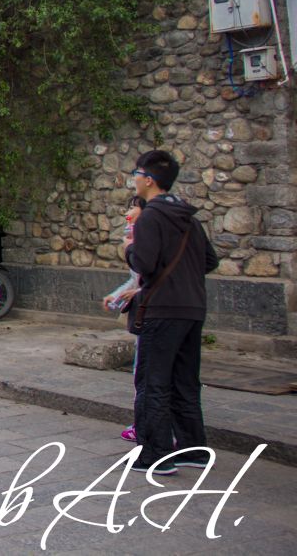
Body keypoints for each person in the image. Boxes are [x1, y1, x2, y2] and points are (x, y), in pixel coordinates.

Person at [124, 150, 218, 476]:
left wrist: (129, 249)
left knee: (152, 383)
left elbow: (144, 263)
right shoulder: (189, 218)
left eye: (136, 174)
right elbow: (210, 261)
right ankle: (194, 449)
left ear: (149, 180)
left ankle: (155, 454)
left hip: (162, 310)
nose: (134, 179)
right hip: (193, 308)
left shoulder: (150, 217)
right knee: (185, 382)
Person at [102, 196, 146, 443]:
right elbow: (136, 278)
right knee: (141, 371)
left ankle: (149, 427)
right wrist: (117, 295)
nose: (128, 212)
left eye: (133, 206)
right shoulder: (134, 237)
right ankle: (143, 422)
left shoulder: (150, 237)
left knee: (148, 373)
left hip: (157, 312)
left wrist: (139, 292)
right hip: (145, 311)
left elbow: (156, 278)